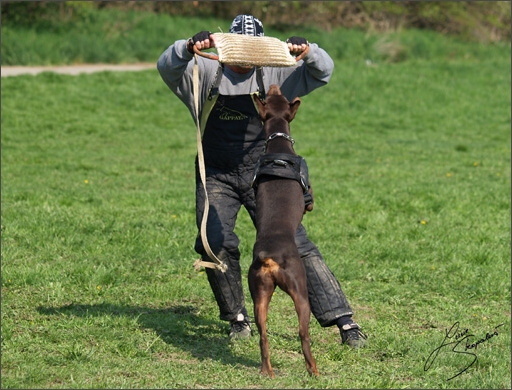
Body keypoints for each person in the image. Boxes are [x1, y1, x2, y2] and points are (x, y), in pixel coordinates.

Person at [157, 14, 367, 348]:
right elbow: (167, 66)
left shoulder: (275, 73)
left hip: (265, 175)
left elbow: (322, 72)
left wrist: (307, 50)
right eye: (240, 50)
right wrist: (185, 48)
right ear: (227, 46)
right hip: (215, 174)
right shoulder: (203, 73)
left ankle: (345, 321)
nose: (246, 58)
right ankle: (237, 318)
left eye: (254, 50)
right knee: (213, 242)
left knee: (295, 243)